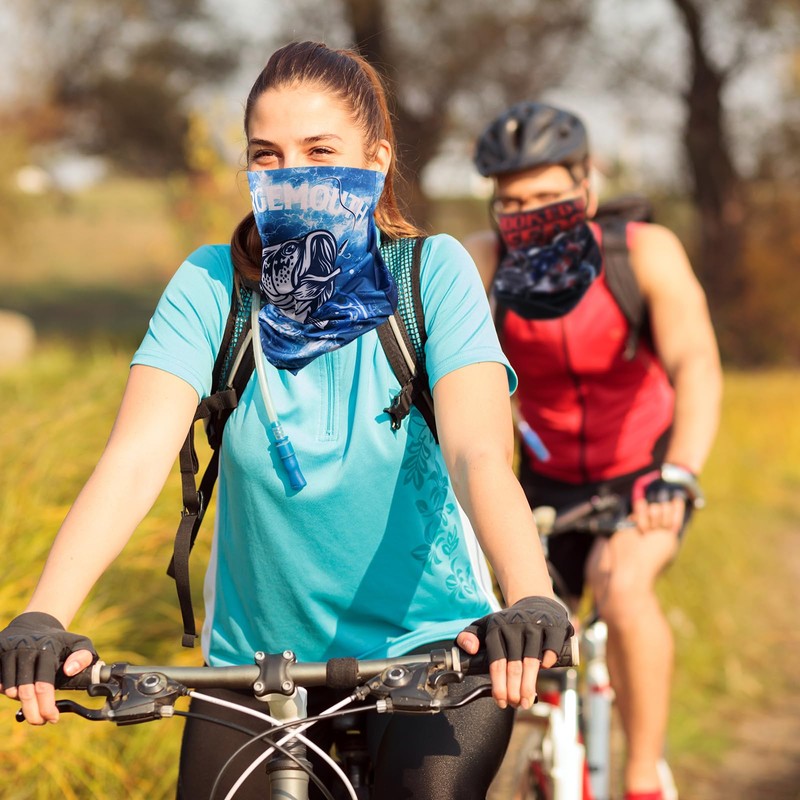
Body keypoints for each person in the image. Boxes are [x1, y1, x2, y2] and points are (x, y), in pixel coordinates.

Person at [0, 43, 573, 800]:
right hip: (256, 664)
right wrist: (44, 614)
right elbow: (134, 460)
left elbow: (477, 453)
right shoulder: (211, 285)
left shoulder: (431, 275)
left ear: (376, 160)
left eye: (319, 151)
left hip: (430, 646)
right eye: (266, 155)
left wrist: (530, 596)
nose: (290, 173)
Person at [463, 101, 722, 800]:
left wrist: (678, 473)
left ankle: (641, 778)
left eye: (548, 197)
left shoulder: (642, 252)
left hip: (642, 475)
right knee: (526, 619)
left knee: (622, 583)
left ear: (586, 189)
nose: (530, 215)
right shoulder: (482, 265)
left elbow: (696, 363)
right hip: (543, 481)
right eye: (513, 202)